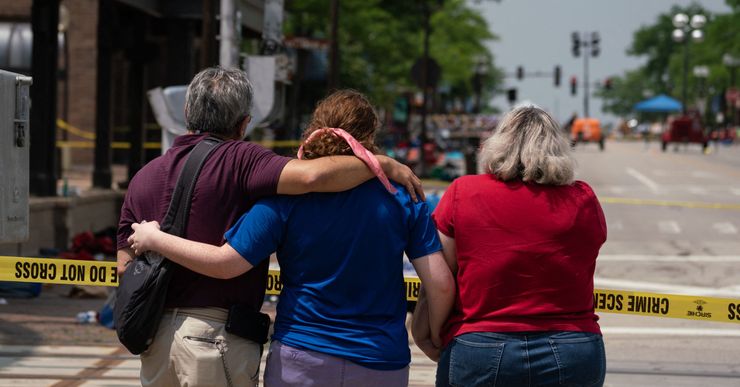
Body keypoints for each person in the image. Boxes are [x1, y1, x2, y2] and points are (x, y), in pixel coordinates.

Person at [116, 69, 424, 387]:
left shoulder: (143, 177)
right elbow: (311, 177)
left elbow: (125, 269)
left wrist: (155, 243)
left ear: (186, 112)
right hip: (216, 338)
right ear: (244, 122)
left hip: (157, 339)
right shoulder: (243, 160)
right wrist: (381, 164)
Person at [413, 105, 607, 387]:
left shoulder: (463, 192)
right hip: (572, 347)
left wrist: (431, 332)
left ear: (498, 144)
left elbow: (439, 279)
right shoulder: (583, 198)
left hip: (480, 345)